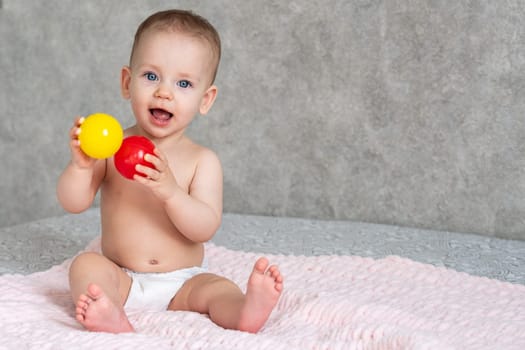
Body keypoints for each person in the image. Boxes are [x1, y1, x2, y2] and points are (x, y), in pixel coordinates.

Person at [57, 9, 283, 334]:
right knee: (86, 266)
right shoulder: (111, 147)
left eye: (184, 83)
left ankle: (244, 310)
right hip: (122, 276)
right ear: (126, 82)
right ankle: (110, 314)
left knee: (217, 288)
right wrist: (80, 166)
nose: (164, 92)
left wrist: (171, 192)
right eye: (151, 76)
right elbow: (73, 202)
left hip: (183, 281)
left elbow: (204, 227)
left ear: (206, 100)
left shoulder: (202, 160)